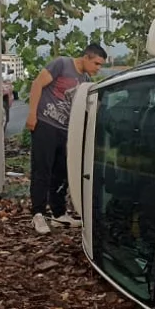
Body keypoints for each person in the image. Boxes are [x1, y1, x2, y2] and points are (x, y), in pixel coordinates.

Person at [26, 44, 107, 234]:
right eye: (96, 63)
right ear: (86, 57)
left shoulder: (85, 80)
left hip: (65, 131)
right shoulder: (61, 64)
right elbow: (37, 84)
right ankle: (38, 214)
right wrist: (32, 115)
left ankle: (58, 214)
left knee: (61, 172)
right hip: (46, 124)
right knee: (42, 170)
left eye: (101, 65)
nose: (98, 68)